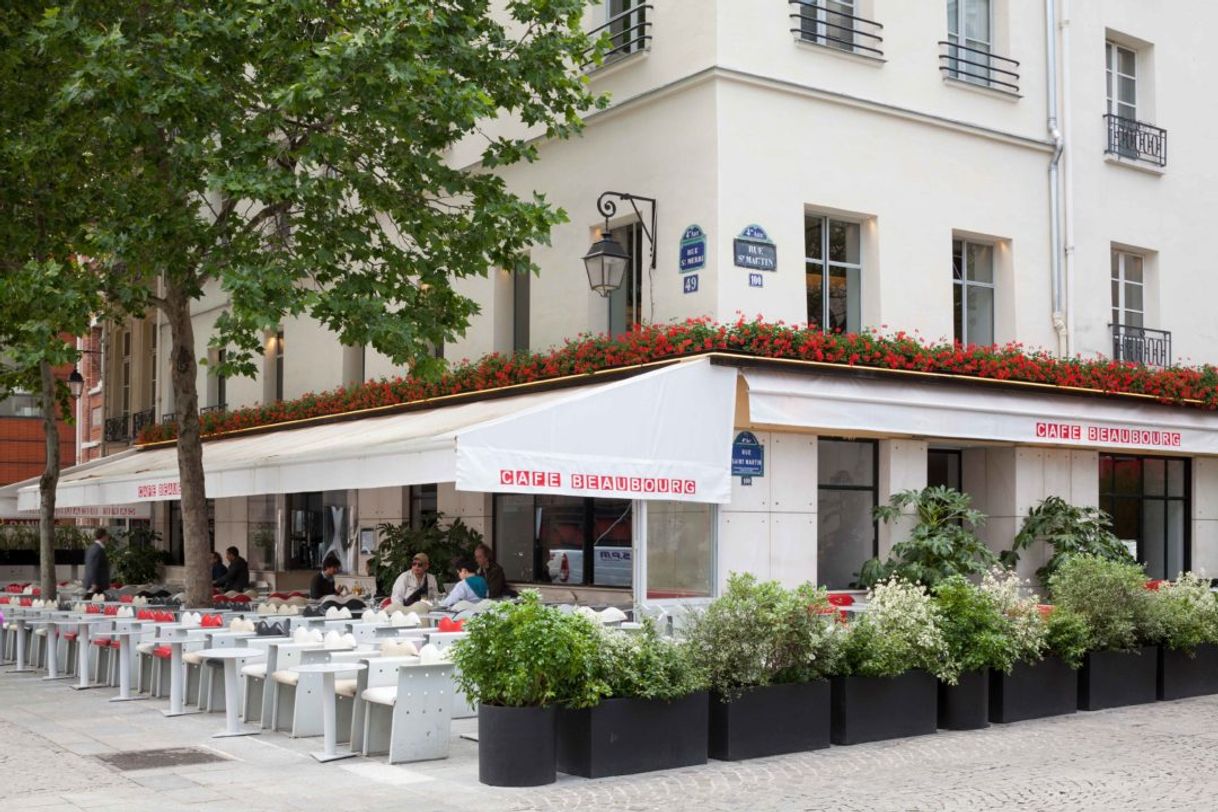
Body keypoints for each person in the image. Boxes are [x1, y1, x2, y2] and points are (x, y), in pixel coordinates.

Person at [83, 528, 111, 595]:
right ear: (103, 536)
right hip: (97, 585)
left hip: (97, 585)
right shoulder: (97, 549)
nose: (108, 538)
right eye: (107, 536)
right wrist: (94, 583)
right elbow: (92, 566)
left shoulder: (93, 547)